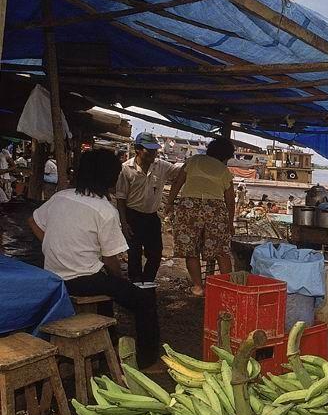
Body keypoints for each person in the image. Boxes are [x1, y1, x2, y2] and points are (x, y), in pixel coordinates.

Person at [28, 149, 161, 368]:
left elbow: (33, 222)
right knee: (144, 301)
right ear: (110, 177)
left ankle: (106, 345)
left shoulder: (61, 196)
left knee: (107, 290)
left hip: (52, 276)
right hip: (80, 280)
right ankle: (148, 360)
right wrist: (121, 281)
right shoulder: (105, 210)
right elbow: (111, 260)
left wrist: (50, 244)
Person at [165, 138, 236, 297]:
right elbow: (230, 201)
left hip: (189, 208)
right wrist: (230, 223)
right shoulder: (224, 171)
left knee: (191, 250)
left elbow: (177, 183)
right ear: (225, 156)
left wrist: (169, 203)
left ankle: (198, 287)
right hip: (216, 210)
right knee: (221, 251)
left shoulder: (193, 161)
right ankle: (228, 288)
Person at [116, 133, 182, 282]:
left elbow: (181, 172)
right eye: (149, 150)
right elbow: (121, 199)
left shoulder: (162, 166)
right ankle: (136, 285)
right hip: (132, 215)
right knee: (134, 254)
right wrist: (124, 223)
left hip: (151, 216)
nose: (154, 153)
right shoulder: (126, 169)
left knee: (156, 253)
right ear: (138, 150)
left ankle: (148, 282)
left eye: (155, 150)